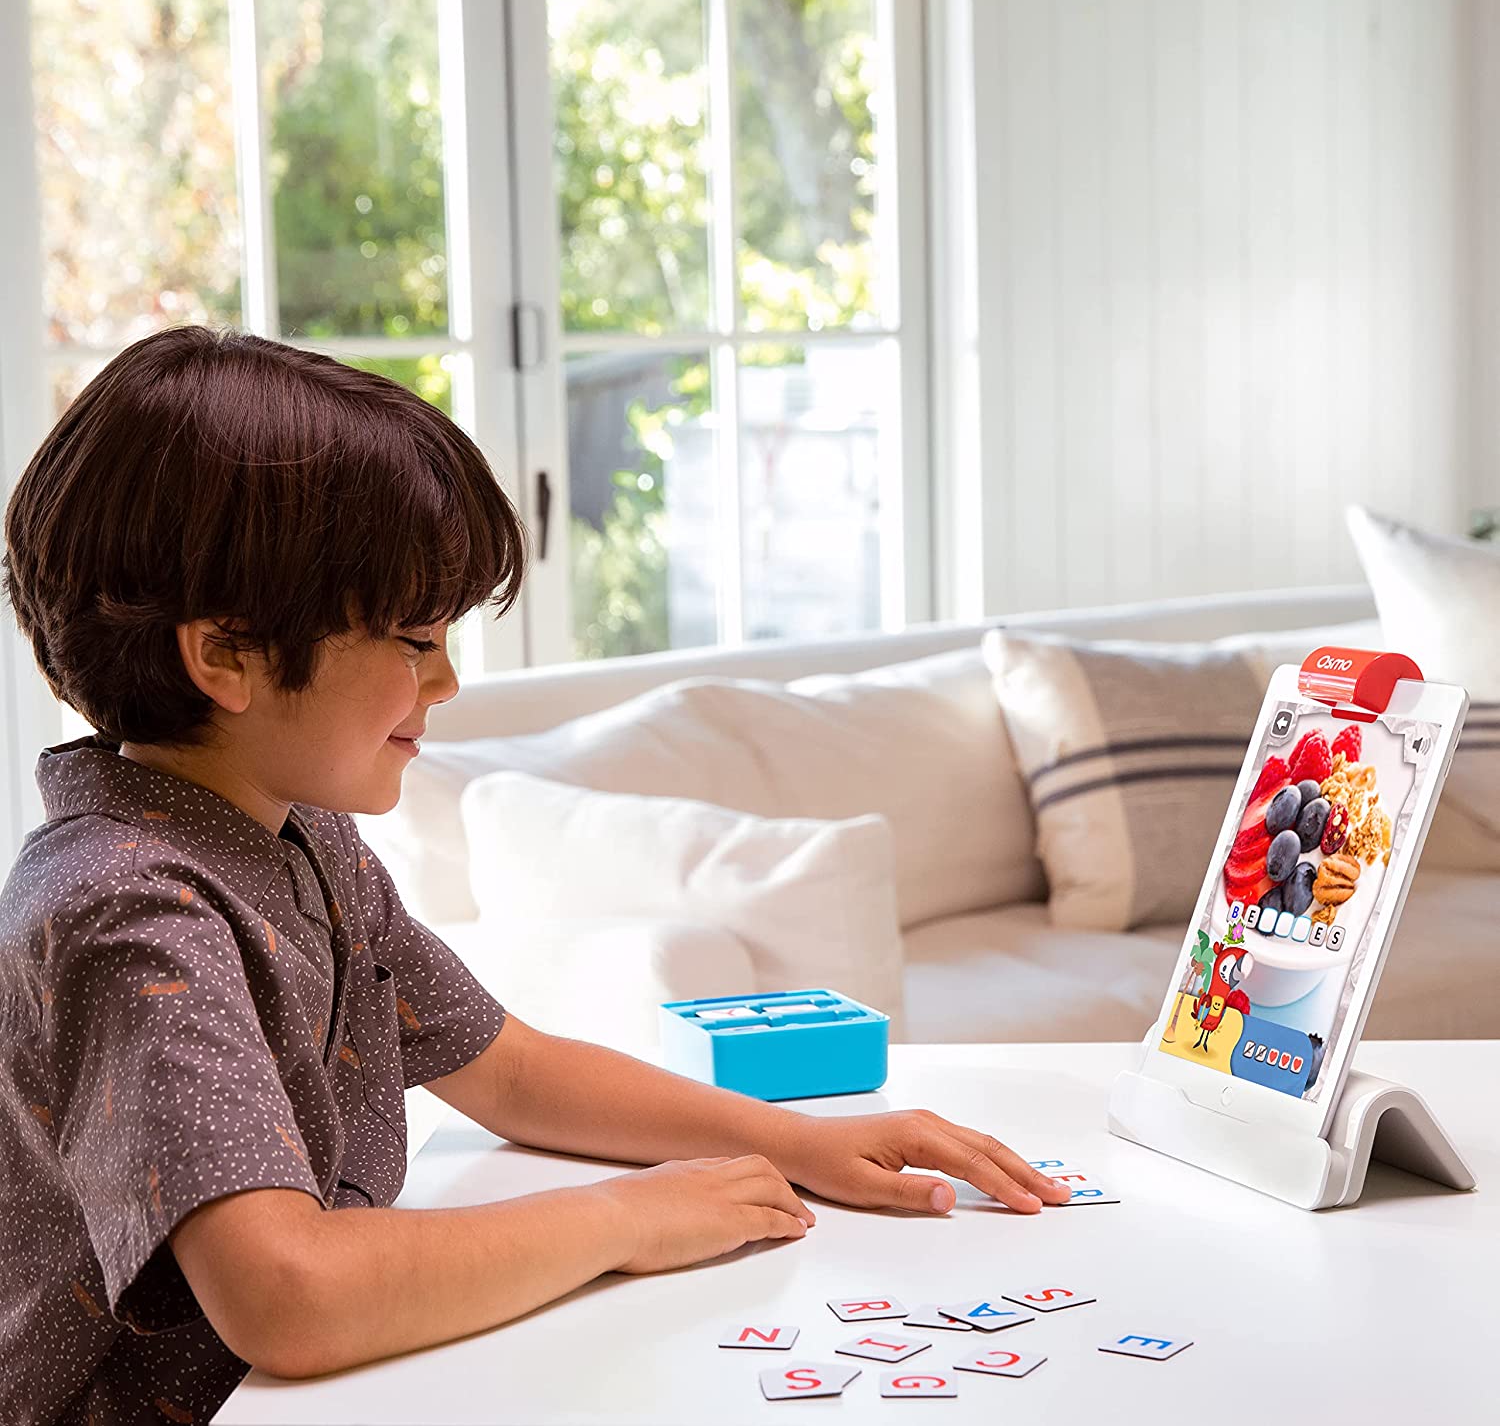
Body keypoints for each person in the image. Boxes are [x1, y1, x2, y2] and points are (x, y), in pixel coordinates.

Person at [0, 326, 1071, 1424]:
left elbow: (509, 1069)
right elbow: (293, 1296)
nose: (449, 681)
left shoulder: (300, 836)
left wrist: (797, 1142)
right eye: (415, 640)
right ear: (224, 654)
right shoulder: (129, 912)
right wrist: (628, 1219)